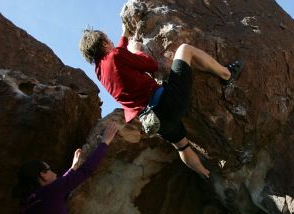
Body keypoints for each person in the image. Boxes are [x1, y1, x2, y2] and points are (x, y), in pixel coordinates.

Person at [79, 26, 243, 179]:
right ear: (103, 43)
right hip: (168, 102)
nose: (111, 41)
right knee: (185, 49)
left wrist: (125, 37)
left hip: (154, 122)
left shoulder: (100, 73)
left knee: (182, 146)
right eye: (108, 39)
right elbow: (151, 65)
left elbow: (117, 58)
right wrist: (137, 52)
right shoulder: (116, 56)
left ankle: (206, 174)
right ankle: (227, 74)